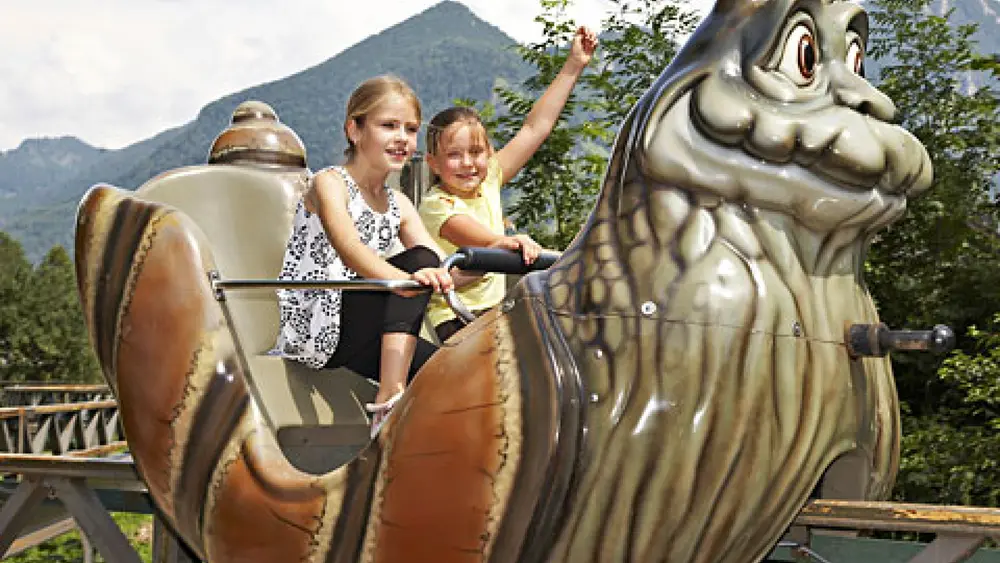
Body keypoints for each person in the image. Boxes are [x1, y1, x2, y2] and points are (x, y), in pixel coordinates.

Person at [275, 75, 462, 437]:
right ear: (354, 130)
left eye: (410, 129)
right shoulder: (330, 183)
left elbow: (446, 271)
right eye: (388, 126)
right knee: (420, 261)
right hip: (318, 325)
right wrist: (406, 281)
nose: (402, 138)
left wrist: (502, 251)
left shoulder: (399, 203)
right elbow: (350, 249)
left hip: (363, 329)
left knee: (449, 371)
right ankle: (389, 398)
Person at [418, 26, 598, 343]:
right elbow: (480, 240)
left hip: (493, 311)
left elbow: (535, 128)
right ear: (433, 163)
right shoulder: (436, 204)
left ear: (489, 154)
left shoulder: (488, 180)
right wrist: (510, 242)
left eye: (476, 152)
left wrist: (573, 65)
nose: (468, 163)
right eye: (454, 155)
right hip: (454, 314)